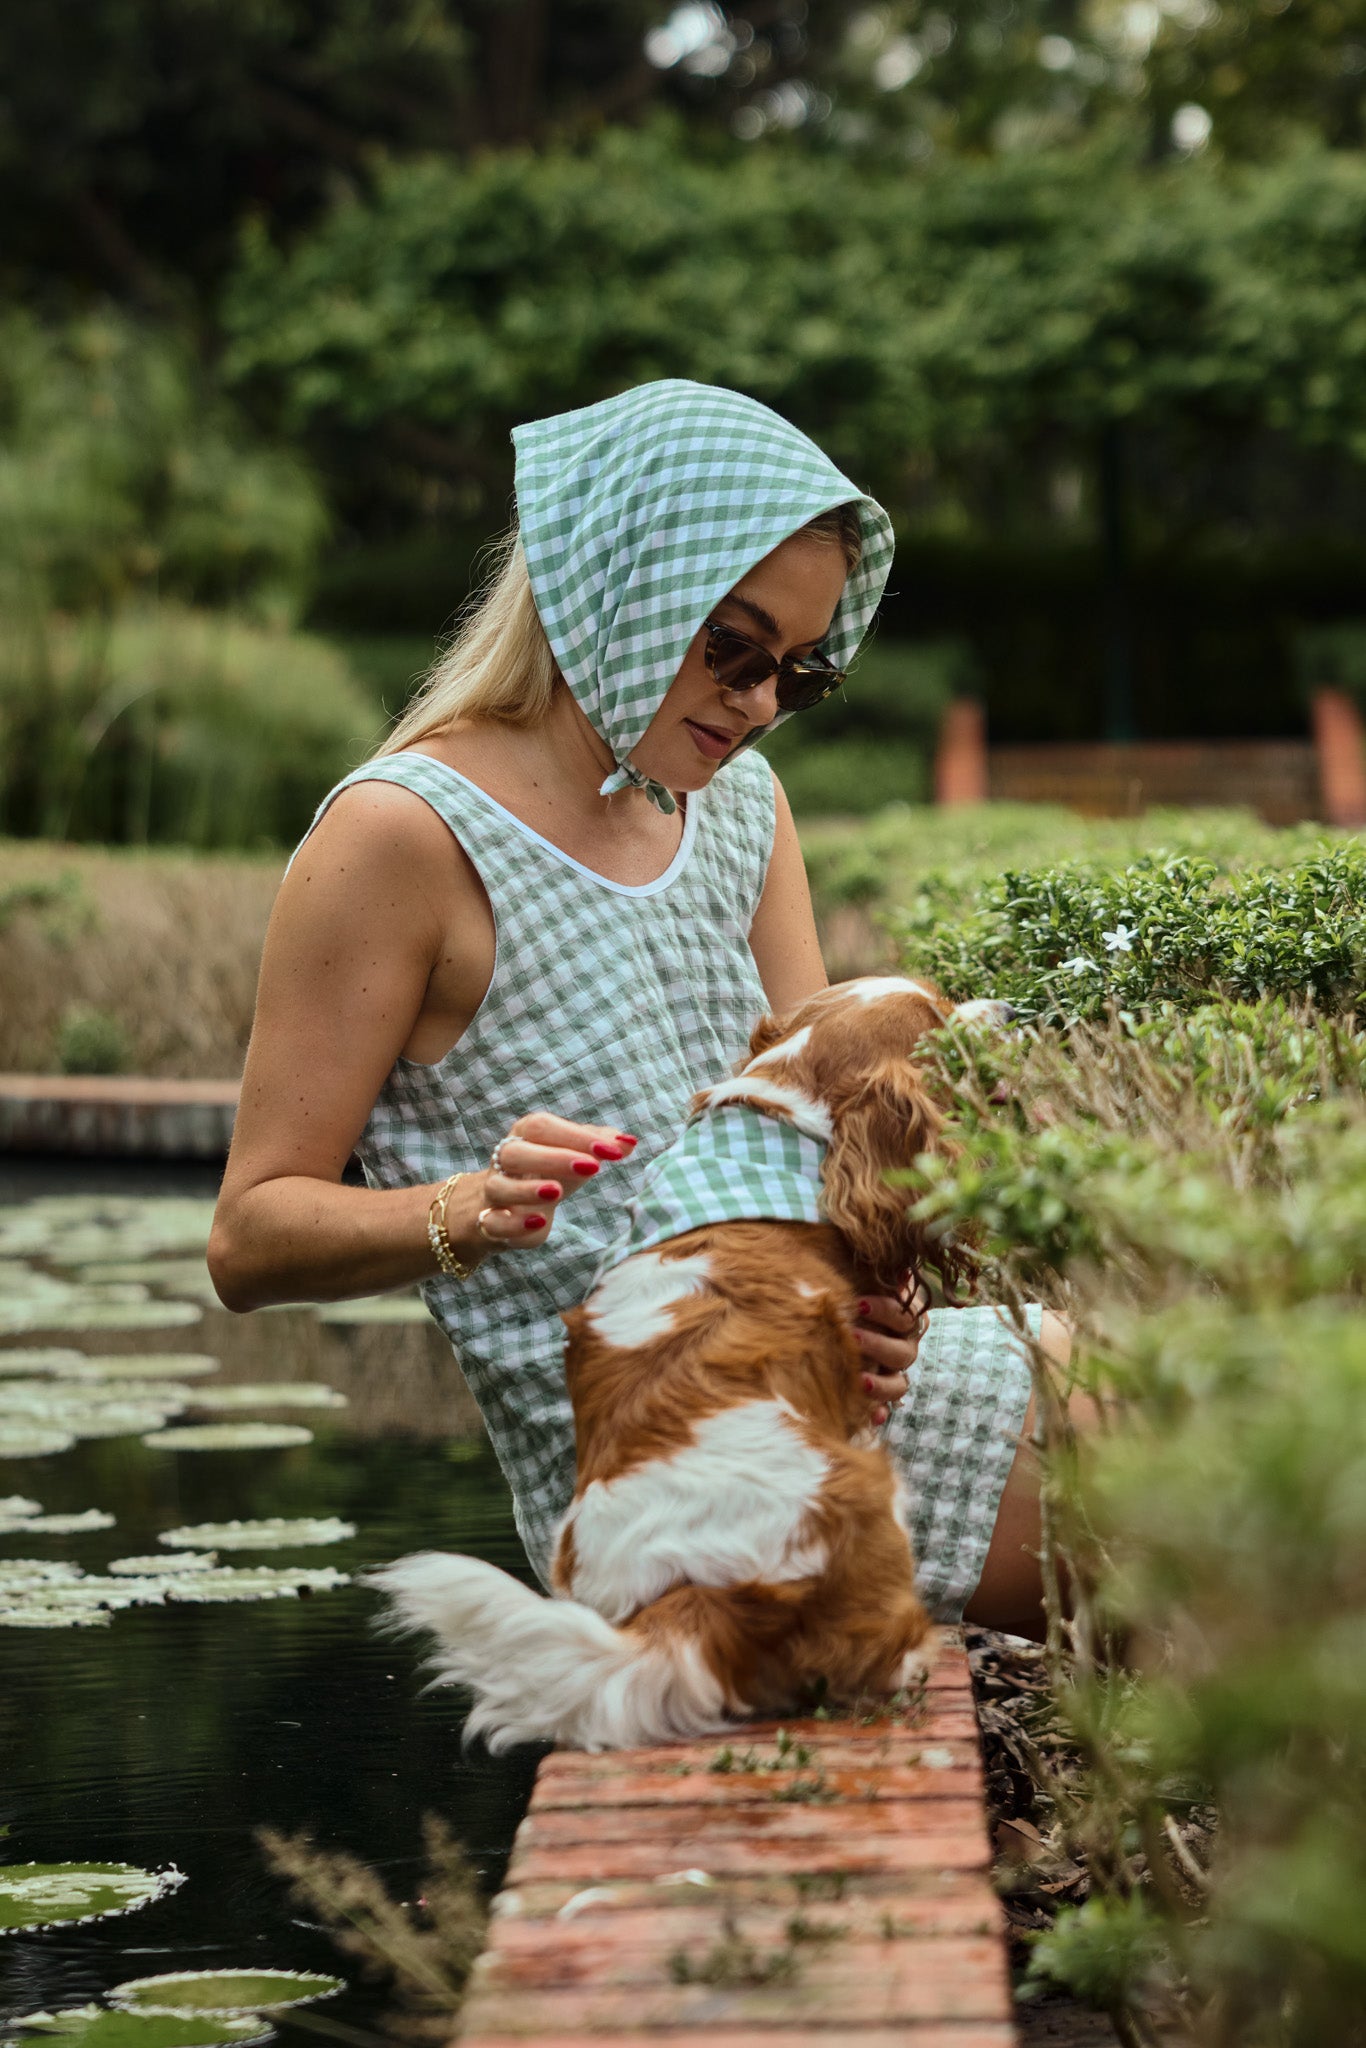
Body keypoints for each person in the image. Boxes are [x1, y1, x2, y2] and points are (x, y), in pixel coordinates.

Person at [209, 378, 1065, 1641]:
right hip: (666, 1470)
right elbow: (248, 1235)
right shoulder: (401, 837)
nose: (762, 701)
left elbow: (817, 1143)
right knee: (1193, 1506)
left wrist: (887, 1311)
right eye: (731, 647)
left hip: (823, 1377)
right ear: (618, 584)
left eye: (799, 669)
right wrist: (460, 1211)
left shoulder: (741, 812)